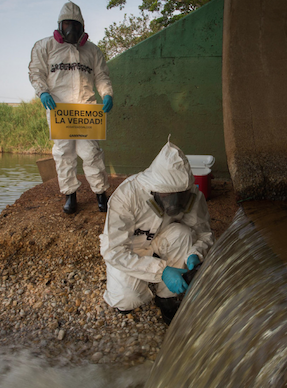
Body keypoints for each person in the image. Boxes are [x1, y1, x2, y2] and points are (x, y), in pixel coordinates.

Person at [100, 140, 215, 323]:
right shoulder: (127, 196)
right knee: (128, 299)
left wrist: (196, 253)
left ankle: (166, 297)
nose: (174, 203)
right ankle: (153, 278)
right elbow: (114, 251)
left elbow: (204, 233)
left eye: (180, 196)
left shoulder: (191, 194)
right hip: (131, 249)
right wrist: (161, 271)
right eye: (168, 197)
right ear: (156, 189)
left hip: (163, 239)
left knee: (183, 234)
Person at [28, 1, 113, 214]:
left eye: (75, 25)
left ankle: (101, 194)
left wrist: (107, 94)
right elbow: (36, 72)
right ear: (59, 25)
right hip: (59, 109)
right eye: (67, 24)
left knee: (91, 152)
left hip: (86, 109)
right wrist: (42, 91)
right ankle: (70, 195)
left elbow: (102, 75)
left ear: (82, 27)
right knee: (64, 153)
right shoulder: (45, 46)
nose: (71, 29)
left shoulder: (92, 51)